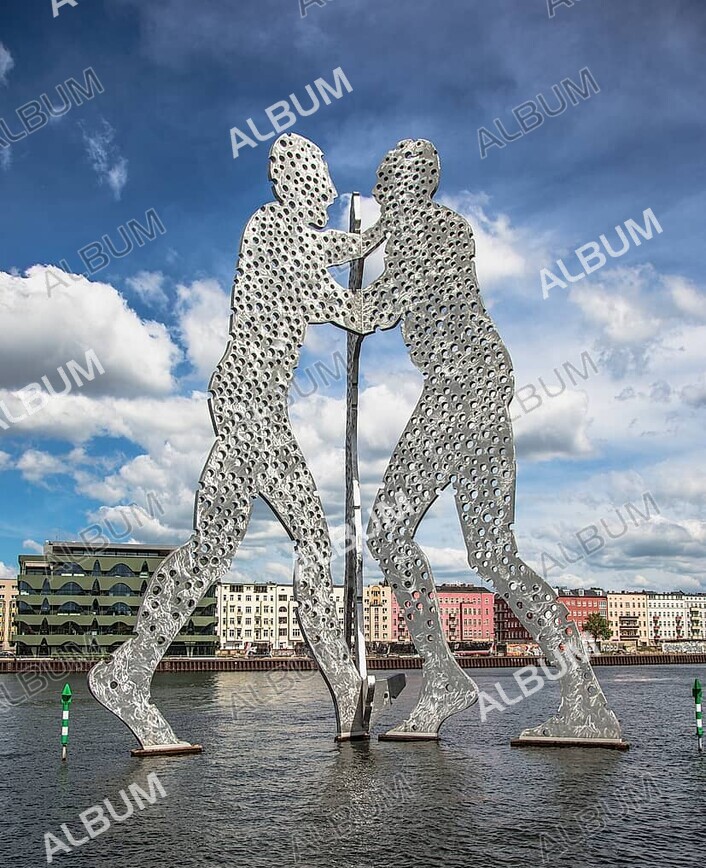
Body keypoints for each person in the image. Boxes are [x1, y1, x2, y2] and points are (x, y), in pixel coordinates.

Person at [89, 133, 384, 748]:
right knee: (287, 544)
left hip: (254, 407)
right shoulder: (276, 234)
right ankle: (340, 689)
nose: (330, 191)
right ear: (296, 182)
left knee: (230, 546)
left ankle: (130, 671)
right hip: (253, 411)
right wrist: (401, 281)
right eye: (321, 180)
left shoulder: (284, 234)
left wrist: (377, 236)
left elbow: (342, 245)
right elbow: (353, 311)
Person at [364, 139, 621, 741]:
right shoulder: (427, 231)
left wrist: (301, 293)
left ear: (409, 186)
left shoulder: (433, 231)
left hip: (460, 389)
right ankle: (579, 699)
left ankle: (451, 676)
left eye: (385, 184)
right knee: (490, 553)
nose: (378, 195)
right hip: (469, 386)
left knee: (389, 531)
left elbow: (374, 308)